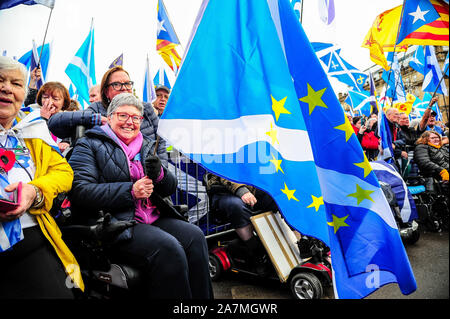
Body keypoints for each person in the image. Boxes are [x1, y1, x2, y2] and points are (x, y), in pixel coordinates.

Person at [68, 92, 213, 299]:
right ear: (109, 118)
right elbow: (80, 191)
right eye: (123, 116)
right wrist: (130, 191)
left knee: (195, 236)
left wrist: (160, 175)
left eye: (136, 117)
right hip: (117, 223)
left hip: (151, 218)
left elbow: (168, 188)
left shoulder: (144, 145)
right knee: (168, 248)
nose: (130, 122)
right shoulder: (88, 144)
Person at [0, 56, 83, 298]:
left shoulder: (31, 130)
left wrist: (34, 191)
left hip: (32, 240)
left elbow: (63, 172)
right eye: (0, 80)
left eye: (16, 84)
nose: (6, 88)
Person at [47, 66, 168, 165]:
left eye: (127, 83)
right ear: (106, 92)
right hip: (111, 178)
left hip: (148, 176)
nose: (124, 88)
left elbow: (160, 141)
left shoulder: (146, 109)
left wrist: (161, 173)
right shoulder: (97, 109)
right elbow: (55, 121)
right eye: (117, 84)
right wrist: (96, 118)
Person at [206, 173, 278, 275]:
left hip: (252, 189)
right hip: (223, 191)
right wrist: (242, 191)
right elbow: (225, 172)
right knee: (236, 206)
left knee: (279, 197)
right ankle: (256, 252)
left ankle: (298, 242)